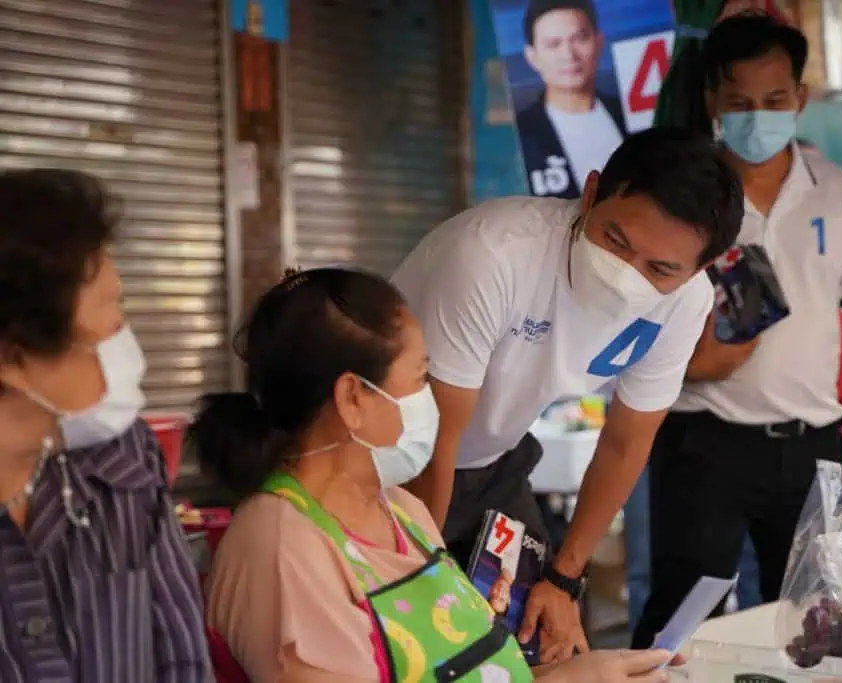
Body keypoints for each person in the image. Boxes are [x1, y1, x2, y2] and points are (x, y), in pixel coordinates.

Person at [195, 266, 681, 683]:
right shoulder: (283, 545)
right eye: (421, 378)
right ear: (353, 399)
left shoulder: (401, 511)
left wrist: (582, 673)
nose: (432, 400)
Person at [391, 126, 743, 662]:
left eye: (660, 269)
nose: (627, 276)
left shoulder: (684, 303)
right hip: (393, 463)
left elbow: (626, 443)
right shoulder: (492, 254)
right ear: (591, 192)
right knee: (419, 645)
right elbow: (434, 439)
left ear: (701, 267)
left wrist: (564, 578)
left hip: (495, 464)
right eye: (616, 241)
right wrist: (426, 582)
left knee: (552, 643)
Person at [633, 13, 842, 647]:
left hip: (812, 446)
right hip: (702, 441)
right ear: (711, 101)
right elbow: (630, 314)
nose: (756, 116)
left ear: (800, 99)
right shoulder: (679, 196)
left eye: (773, 100)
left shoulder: (838, 194)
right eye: (739, 103)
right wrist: (696, 362)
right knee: (683, 621)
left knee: (817, 622)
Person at [0, 169, 210, 682]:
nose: (121, 329)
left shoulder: (124, 455)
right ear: (12, 353)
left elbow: (181, 650)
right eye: (107, 307)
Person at [517, 0, 628, 198]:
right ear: (531, 56)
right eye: (553, 44)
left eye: (579, 39)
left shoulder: (628, 112)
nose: (568, 55)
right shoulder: (522, 133)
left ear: (599, 41)